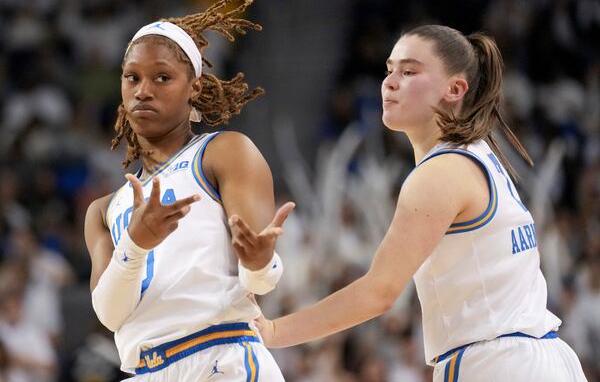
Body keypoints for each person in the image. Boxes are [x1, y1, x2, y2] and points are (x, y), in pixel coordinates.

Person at [231, 25, 588, 381]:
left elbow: (379, 292)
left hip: (497, 363)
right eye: (389, 70)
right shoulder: (481, 156)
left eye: (409, 71)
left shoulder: (440, 173)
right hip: (542, 358)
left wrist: (275, 332)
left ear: (455, 89)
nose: (389, 82)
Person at [84, 0, 293, 380]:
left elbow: (260, 285)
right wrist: (135, 244)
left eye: (162, 77)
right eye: (132, 77)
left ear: (194, 87)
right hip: (144, 370)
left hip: (222, 356)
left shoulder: (224, 152)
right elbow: (111, 316)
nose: (143, 90)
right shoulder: (103, 210)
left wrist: (261, 261)